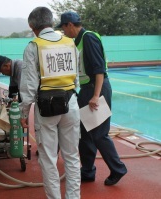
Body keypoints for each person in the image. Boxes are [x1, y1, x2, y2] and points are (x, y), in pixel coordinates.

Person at [56, 11, 127, 186]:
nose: (64, 33)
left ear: (70, 25)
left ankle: (118, 169)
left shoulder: (88, 38)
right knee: (84, 133)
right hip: (87, 90)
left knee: (99, 134)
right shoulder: (78, 41)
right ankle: (87, 171)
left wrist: (96, 96)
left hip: (97, 89)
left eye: (64, 29)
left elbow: (99, 69)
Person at [19, 7, 81, 199]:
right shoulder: (70, 42)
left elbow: (29, 86)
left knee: (48, 159)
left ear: (32, 26)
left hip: (47, 108)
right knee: (72, 157)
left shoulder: (33, 46)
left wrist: (23, 114)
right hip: (71, 102)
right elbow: (76, 77)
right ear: (51, 21)